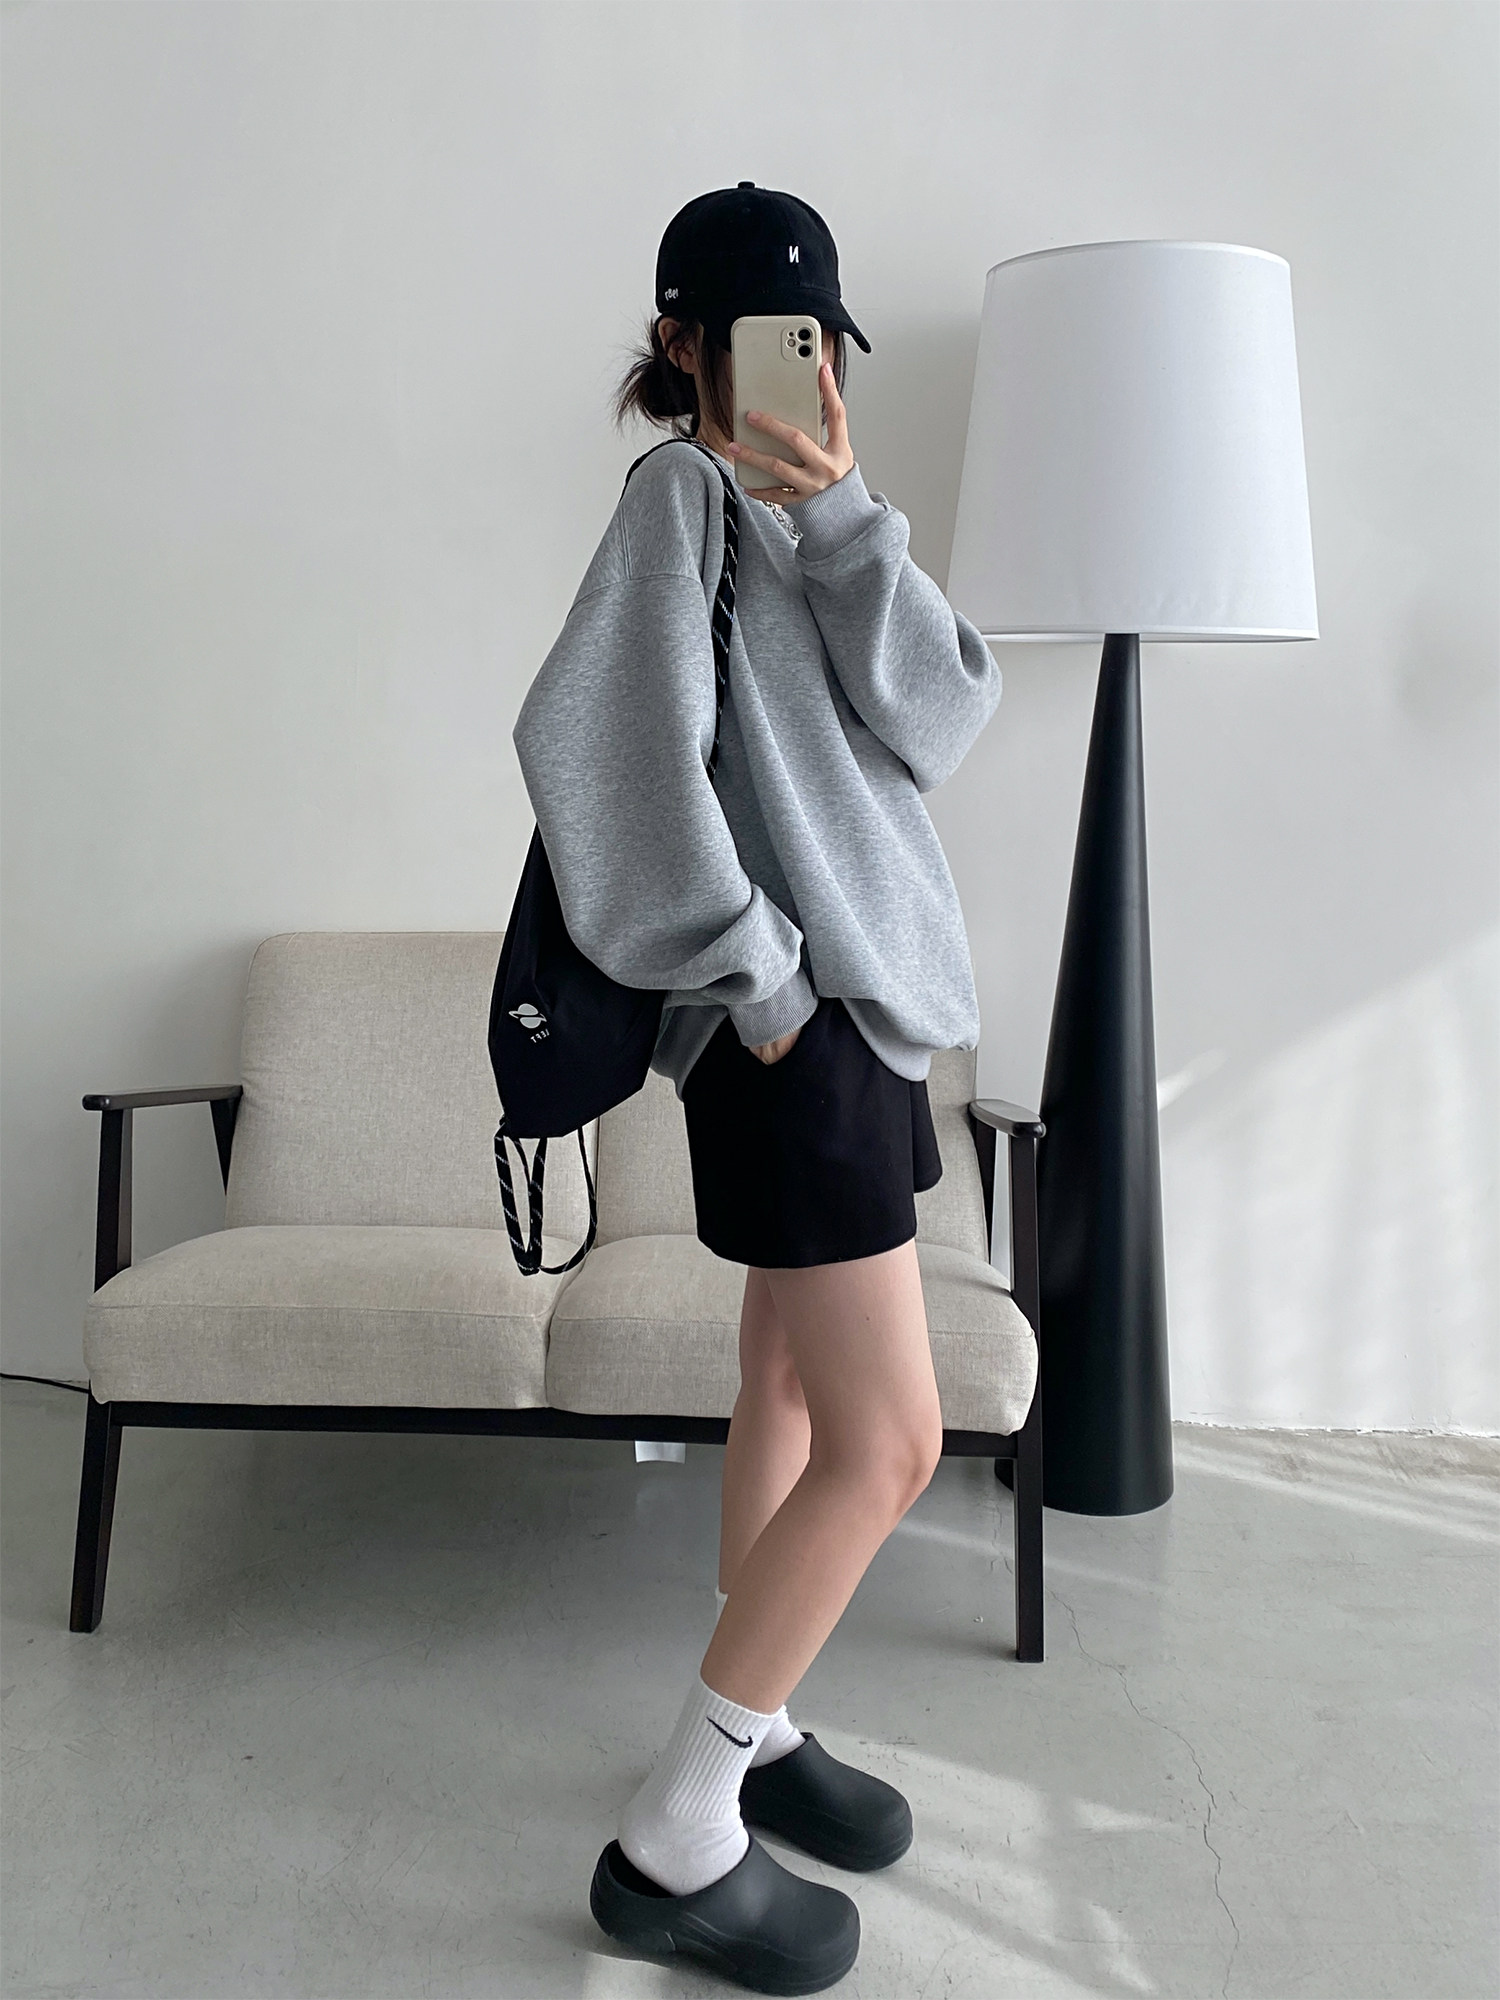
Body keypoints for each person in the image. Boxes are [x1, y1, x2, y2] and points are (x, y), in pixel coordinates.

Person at [511, 183, 1002, 1994]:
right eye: (766, 341)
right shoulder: (679, 503)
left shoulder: (811, 521)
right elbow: (589, 747)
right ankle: (679, 1835)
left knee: (788, 1385)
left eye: (820, 345)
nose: (804, 374)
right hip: (797, 1036)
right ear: (683, 346)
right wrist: (761, 981)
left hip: (863, 1031)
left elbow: (945, 720)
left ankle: (763, 1728)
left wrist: (850, 515)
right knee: (896, 1442)